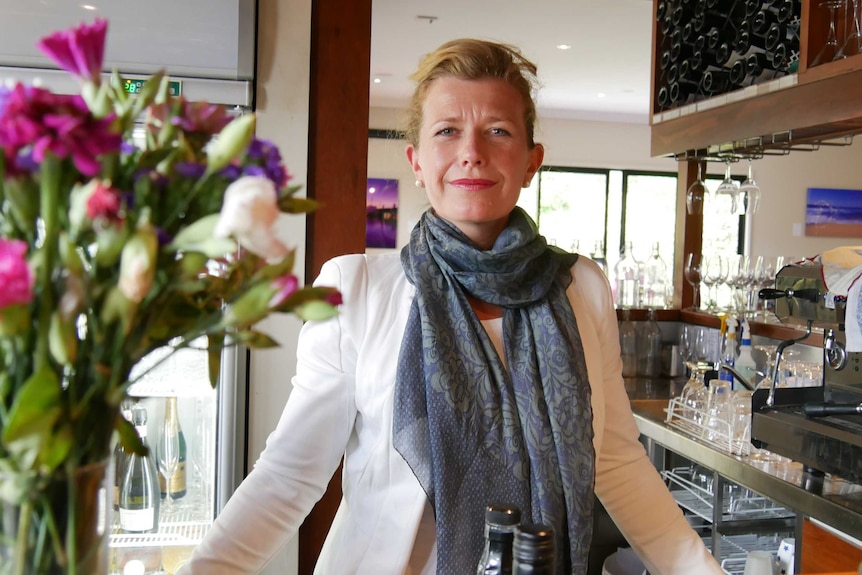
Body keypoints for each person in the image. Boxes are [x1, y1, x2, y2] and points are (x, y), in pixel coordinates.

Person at [180, 38, 723, 574]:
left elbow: (618, 463)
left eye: (498, 131)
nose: (472, 151)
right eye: (447, 131)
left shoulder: (582, 288)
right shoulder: (357, 289)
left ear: (532, 161)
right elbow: (289, 476)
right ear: (416, 160)